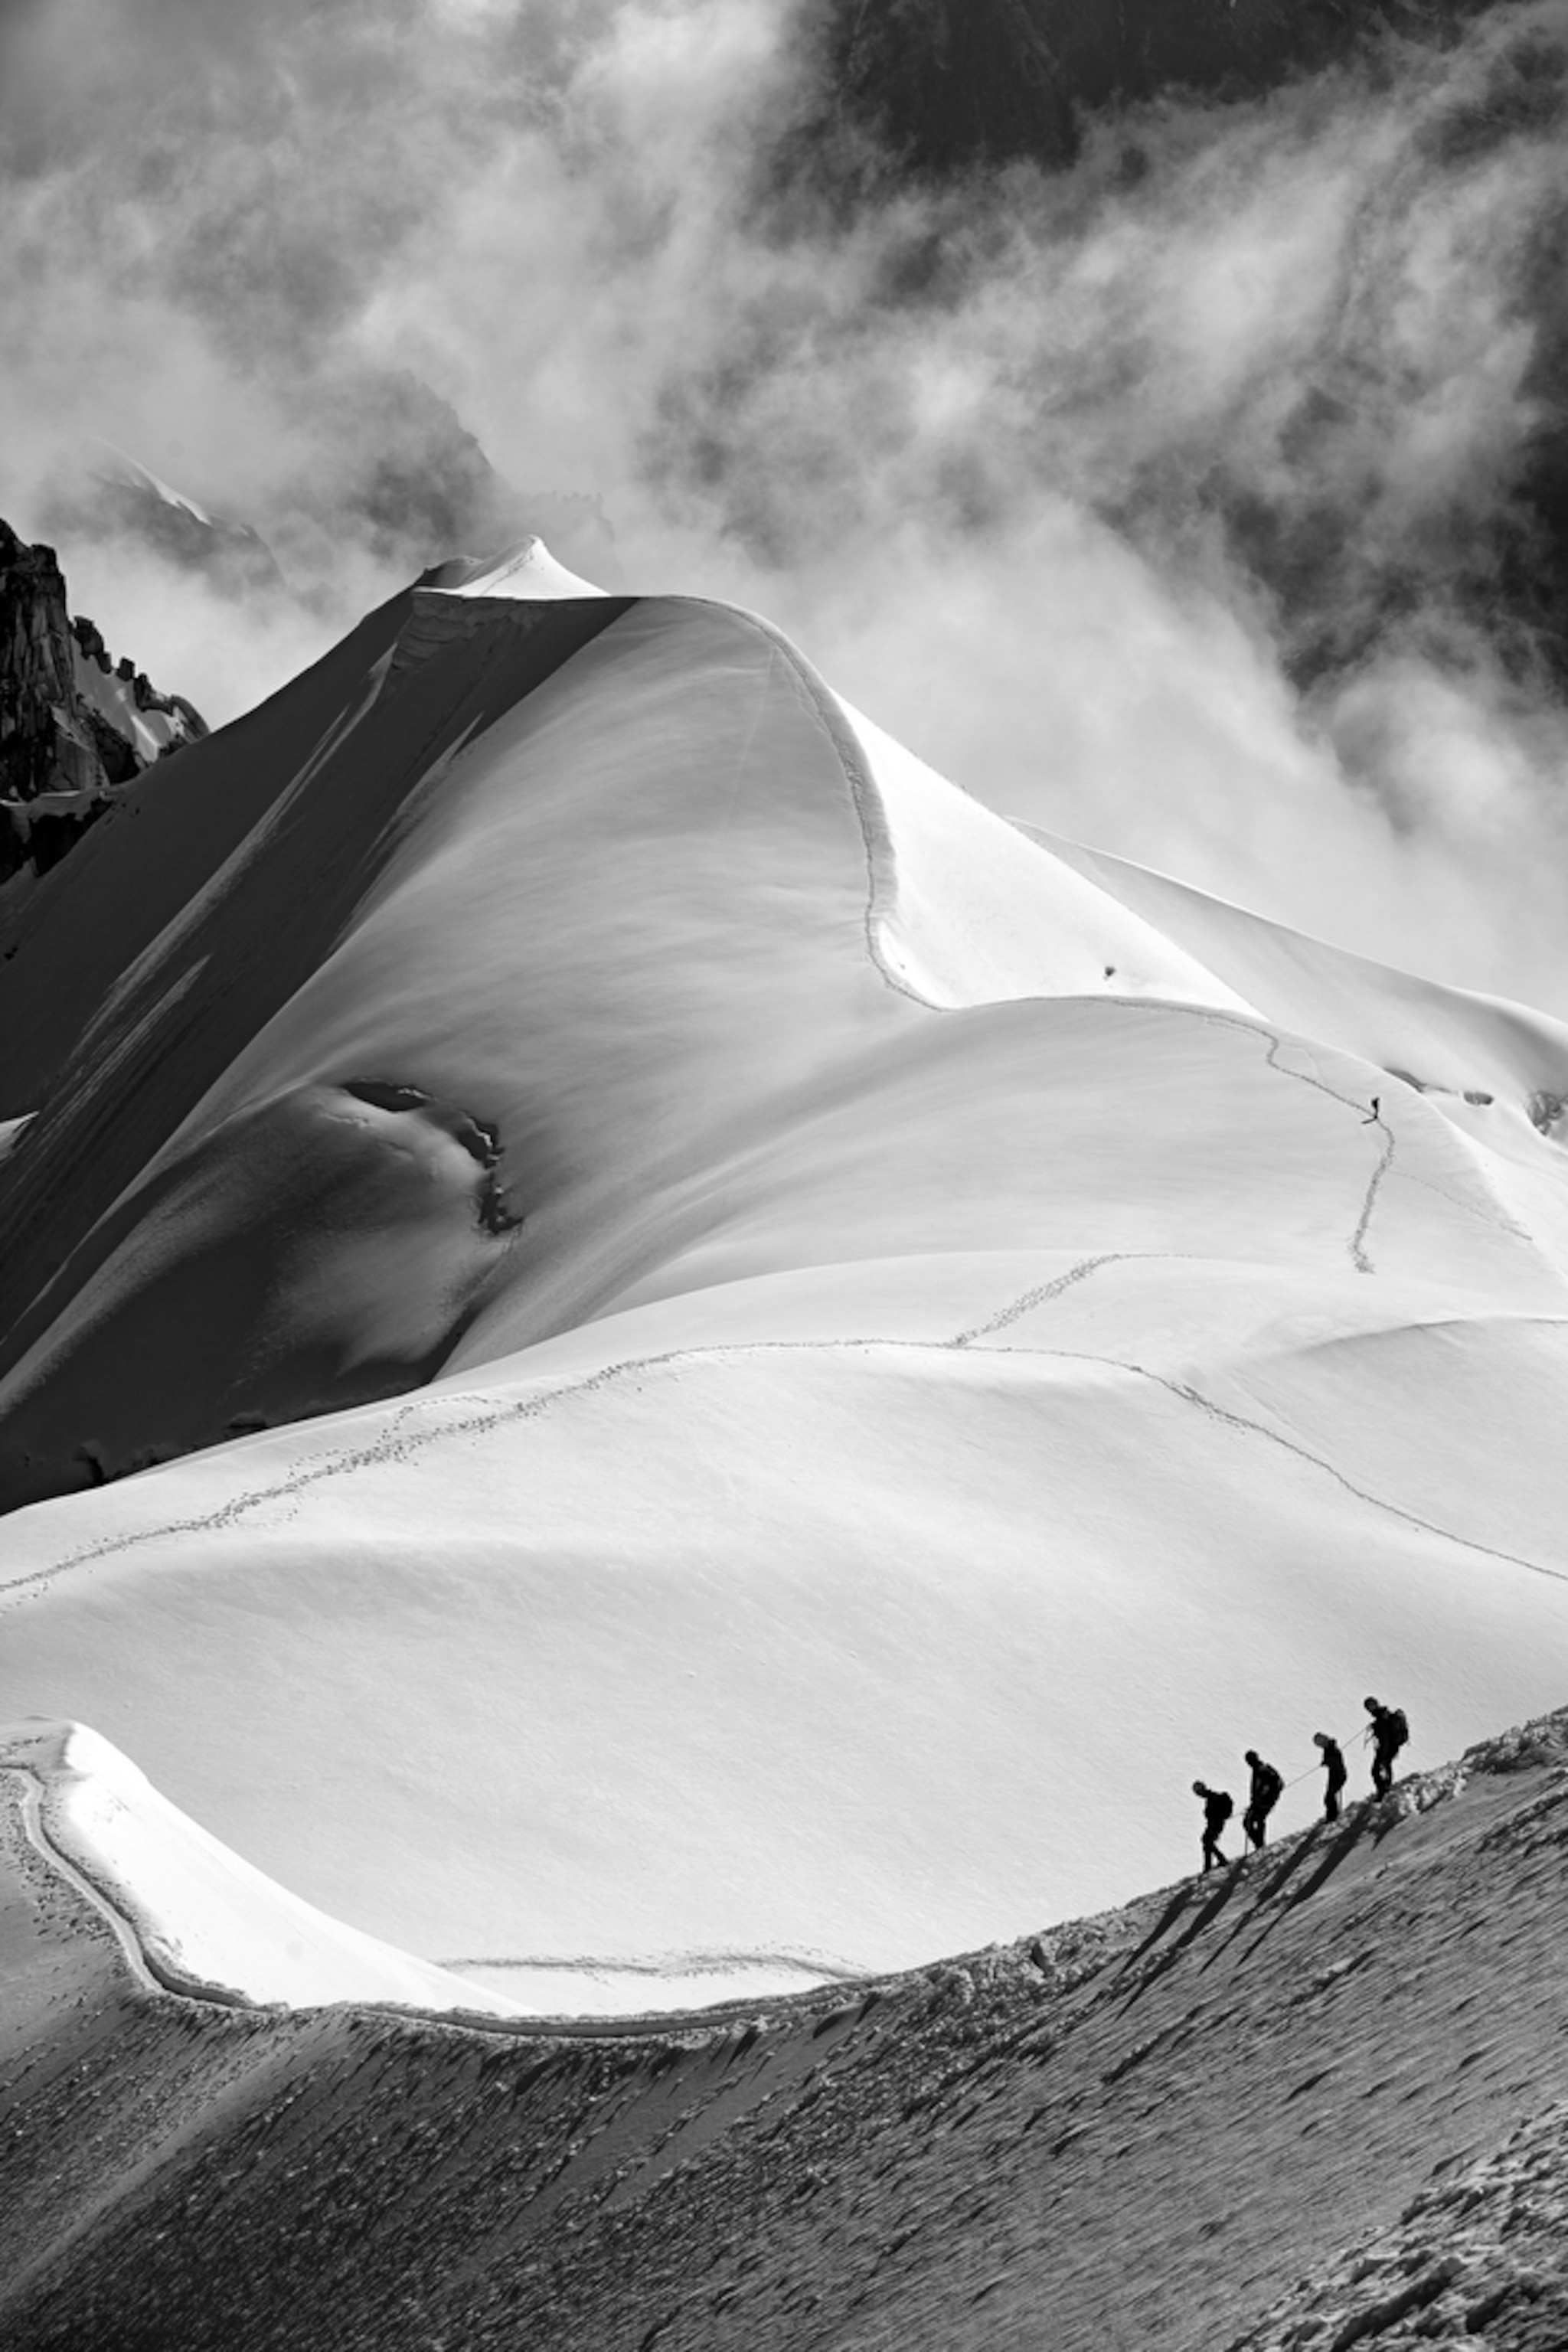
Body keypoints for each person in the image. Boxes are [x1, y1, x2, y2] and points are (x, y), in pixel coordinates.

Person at [1364, 1696, 1410, 1796]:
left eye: (1369, 1707)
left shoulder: (1382, 1718)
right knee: (1384, 1767)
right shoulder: (1383, 1716)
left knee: (1378, 1769)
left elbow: (1385, 1737)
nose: (1368, 1710)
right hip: (1391, 1747)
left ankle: (1384, 1791)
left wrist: (1382, 1752)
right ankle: (1385, 1790)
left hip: (1387, 1748)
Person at [1242, 1749, 1284, 1850]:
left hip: (1264, 1802)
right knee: (1256, 1820)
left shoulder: (1261, 1771)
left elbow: (1267, 1786)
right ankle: (1260, 1844)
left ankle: (1259, 1844)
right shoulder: (1261, 1769)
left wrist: (1262, 1798)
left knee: (1251, 1821)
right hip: (1265, 1801)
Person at [1193, 1781, 1233, 1873]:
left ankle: (1216, 1863)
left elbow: (1213, 1814)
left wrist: (1210, 1817)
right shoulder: (1212, 1797)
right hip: (1216, 1824)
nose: (1199, 1795)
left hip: (1215, 1824)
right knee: (1207, 1842)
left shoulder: (1212, 1798)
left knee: (1207, 1842)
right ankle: (1214, 1863)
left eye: (1199, 1792)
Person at [1313, 1731, 1348, 1821]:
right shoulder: (1328, 1749)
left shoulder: (1333, 1749)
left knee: (1329, 1797)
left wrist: (1327, 1762)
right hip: (1334, 1775)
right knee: (1329, 1797)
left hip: (1338, 1776)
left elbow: (1336, 1761)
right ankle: (1332, 1815)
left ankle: (1332, 1816)